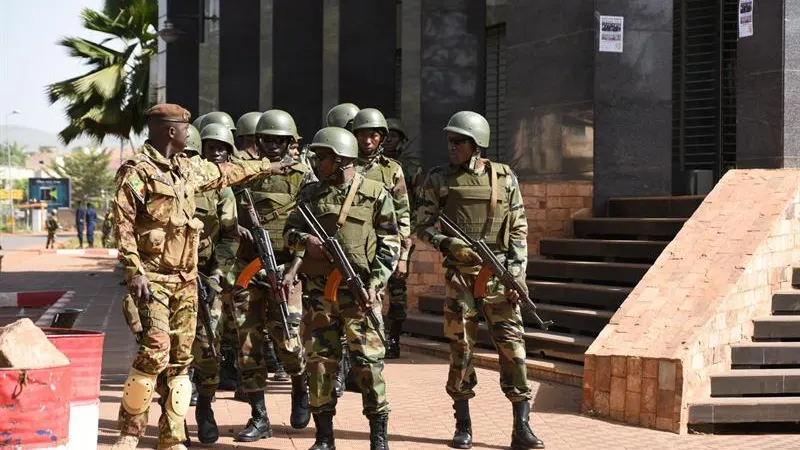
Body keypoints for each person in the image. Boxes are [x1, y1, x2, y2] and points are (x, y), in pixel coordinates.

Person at [110, 103, 288, 450]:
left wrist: (272, 166)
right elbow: (123, 225)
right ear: (169, 131)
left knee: (180, 362)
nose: (189, 134)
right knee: (154, 352)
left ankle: (172, 437)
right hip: (154, 278)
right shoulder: (137, 171)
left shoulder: (187, 169)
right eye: (184, 128)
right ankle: (129, 433)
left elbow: (227, 173)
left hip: (186, 280)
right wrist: (134, 271)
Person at [415, 111, 544, 450]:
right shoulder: (439, 179)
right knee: (461, 349)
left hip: (500, 277)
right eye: (450, 140)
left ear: (476, 144)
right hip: (460, 277)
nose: (451, 146)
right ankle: (463, 425)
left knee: (512, 348)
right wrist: (449, 243)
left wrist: (517, 275)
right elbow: (422, 225)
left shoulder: (504, 177)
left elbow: (518, 228)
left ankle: (522, 427)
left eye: (459, 141)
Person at [283, 127, 400, 450]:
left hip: (361, 293)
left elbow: (391, 244)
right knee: (320, 364)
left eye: (322, 157)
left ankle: (378, 435)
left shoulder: (375, 193)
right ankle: (324, 437)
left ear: (340, 160)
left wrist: (375, 284)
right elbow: (289, 233)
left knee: (369, 364)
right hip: (320, 296)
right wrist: (306, 241)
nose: (317, 163)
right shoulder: (310, 195)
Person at [228, 109, 312, 442]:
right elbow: (224, 213)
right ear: (257, 141)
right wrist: (236, 230)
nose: (274, 146)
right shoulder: (243, 174)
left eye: (280, 141)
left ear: (290, 142)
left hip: (285, 268)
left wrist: (294, 265)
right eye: (267, 140)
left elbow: (312, 225)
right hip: (248, 271)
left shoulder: (304, 177)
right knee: (248, 347)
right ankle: (259, 416)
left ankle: (299, 383)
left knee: (289, 342)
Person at [184, 123, 241, 444]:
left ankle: (205, 406)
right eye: (187, 154)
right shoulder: (162, 182)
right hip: (170, 280)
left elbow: (229, 237)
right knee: (170, 354)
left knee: (207, 350)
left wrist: (218, 273)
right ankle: (173, 417)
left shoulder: (219, 187)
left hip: (207, 278)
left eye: (194, 155)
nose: (190, 161)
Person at [351, 109, 412, 361]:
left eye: (373, 135)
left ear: (381, 138)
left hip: (385, 247)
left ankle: (387, 343)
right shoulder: (345, 165)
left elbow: (403, 214)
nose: (367, 141)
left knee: (391, 297)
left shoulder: (392, 170)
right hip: (353, 245)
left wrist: (403, 256)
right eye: (362, 135)